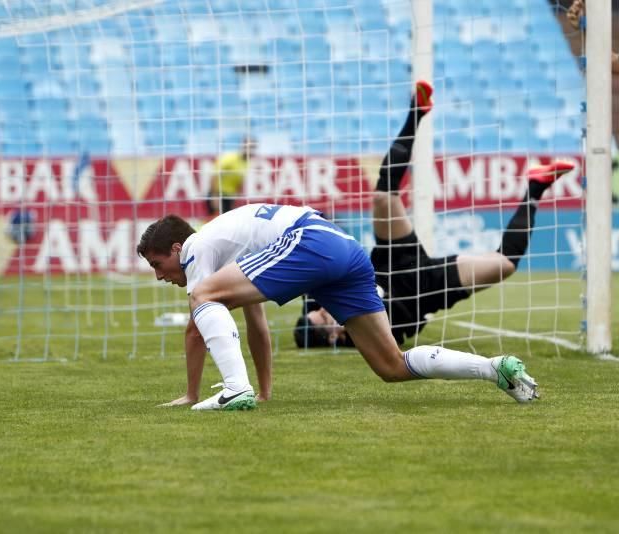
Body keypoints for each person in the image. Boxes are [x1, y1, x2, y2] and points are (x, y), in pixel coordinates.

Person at [137, 94, 540, 411]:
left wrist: (193, 394)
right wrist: (264, 392)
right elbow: (257, 327)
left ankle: (232, 390)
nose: (159, 274)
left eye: (158, 264)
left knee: (203, 298)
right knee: (391, 366)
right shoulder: (230, 256)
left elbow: (196, 327)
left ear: (176, 248)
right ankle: (493, 369)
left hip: (309, 241)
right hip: (344, 251)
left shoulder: (196, 247)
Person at [294, 82, 576, 349]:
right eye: (321, 319)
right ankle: (537, 186)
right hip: (426, 290)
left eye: (315, 312)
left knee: (383, 198)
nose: (320, 310)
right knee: (504, 265)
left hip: (390, 263)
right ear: (333, 337)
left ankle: (417, 110)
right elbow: (401, 326)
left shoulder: (318, 298)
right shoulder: (369, 338)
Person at [206, 136, 256, 216]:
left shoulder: (246, 162)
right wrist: (214, 197)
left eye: (252, 147)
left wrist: (235, 199)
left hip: (229, 197)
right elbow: (215, 175)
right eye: (248, 147)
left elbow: (239, 181)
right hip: (219, 195)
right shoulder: (229, 158)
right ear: (243, 146)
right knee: (214, 221)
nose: (250, 150)